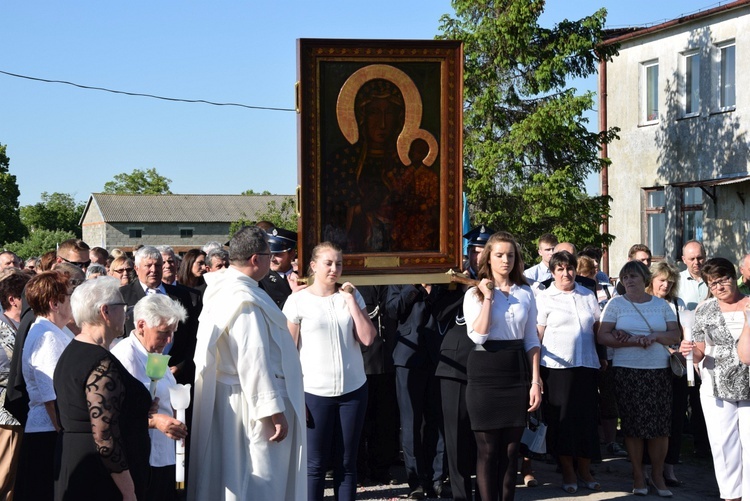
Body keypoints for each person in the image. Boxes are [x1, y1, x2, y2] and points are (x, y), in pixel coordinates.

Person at [189, 226, 306, 501]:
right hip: (249, 402)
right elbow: (253, 358)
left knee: (231, 470)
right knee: (255, 478)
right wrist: (273, 410)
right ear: (256, 259)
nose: (272, 259)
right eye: (269, 254)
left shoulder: (224, 287)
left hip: (231, 395)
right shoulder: (244, 300)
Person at [283, 241, 376, 500]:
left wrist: (350, 300)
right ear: (313, 266)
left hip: (353, 390)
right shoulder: (297, 301)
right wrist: (294, 396)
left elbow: (368, 338)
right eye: (328, 263)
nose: (334, 269)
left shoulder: (351, 296)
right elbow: (288, 354)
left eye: (339, 263)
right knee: (315, 466)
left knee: (347, 464)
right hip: (314, 393)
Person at [54, 277, 152, 501]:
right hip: (100, 475)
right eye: (122, 307)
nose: (125, 314)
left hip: (76, 460)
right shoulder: (100, 363)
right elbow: (105, 436)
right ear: (105, 311)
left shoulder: (72, 352)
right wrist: (128, 491)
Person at [463, 231, 542, 501]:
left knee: (510, 452)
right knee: (487, 451)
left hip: (516, 371)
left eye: (510, 255)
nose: (505, 260)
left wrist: (535, 381)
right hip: (485, 371)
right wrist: (488, 297)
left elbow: (531, 339)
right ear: (488, 258)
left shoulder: (526, 292)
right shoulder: (473, 293)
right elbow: (478, 336)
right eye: (499, 255)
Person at [597, 260, 680, 497]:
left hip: (658, 371)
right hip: (627, 371)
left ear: (645, 279)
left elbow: (675, 334)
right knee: (633, 427)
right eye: (625, 278)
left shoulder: (661, 305)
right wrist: (634, 340)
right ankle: (637, 475)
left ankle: (656, 476)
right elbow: (603, 336)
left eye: (633, 276)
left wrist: (654, 336)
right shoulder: (615, 304)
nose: (629, 281)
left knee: (660, 428)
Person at [680, 258, 750, 501]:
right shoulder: (704, 309)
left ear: (734, 277)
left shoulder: (749, 304)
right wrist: (689, 350)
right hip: (715, 384)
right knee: (724, 446)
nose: (719, 287)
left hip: (749, 383)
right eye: (712, 283)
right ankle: (731, 496)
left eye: (723, 280)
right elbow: (699, 351)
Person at [434, 225, 494, 500]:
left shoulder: (503, 284)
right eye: (473, 251)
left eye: (482, 251)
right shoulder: (454, 281)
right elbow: (439, 315)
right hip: (455, 365)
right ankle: (460, 494)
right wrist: (463, 287)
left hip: (491, 366)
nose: (476, 256)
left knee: (485, 438)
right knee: (456, 437)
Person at [111, 294, 188, 501]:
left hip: (165, 455)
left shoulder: (155, 353)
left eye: (173, 333)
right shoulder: (125, 357)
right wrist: (154, 421)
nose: (169, 340)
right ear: (142, 325)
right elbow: (116, 414)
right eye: (164, 333)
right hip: (141, 459)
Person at [536, 251, 601, 494]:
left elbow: (596, 329)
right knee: (562, 422)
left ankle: (584, 470)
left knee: (586, 421)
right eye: (560, 269)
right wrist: (534, 372)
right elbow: (538, 335)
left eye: (570, 268)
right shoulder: (544, 297)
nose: (566, 273)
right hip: (556, 368)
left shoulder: (587, 294)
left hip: (586, 366)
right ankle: (568, 471)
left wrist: (602, 358)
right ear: (552, 272)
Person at [15, 271, 77, 500]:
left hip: (51, 432)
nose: (72, 301)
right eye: (69, 296)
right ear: (54, 303)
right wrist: (65, 434)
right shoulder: (46, 336)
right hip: (48, 434)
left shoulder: (53, 330)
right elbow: (52, 394)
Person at [119, 246, 199, 385]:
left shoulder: (180, 295)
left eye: (157, 265)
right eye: (148, 265)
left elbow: (191, 334)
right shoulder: (123, 295)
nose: (153, 270)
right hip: (138, 372)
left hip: (176, 374)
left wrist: (181, 365)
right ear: (137, 269)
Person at [647, 261, 686, 487]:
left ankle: (669, 467)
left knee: (675, 418)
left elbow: (684, 334)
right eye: (662, 280)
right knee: (649, 418)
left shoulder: (677, 304)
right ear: (651, 281)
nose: (666, 284)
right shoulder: (644, 303)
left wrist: (681, 349)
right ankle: (645, 468)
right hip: (649, 366)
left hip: (674, 367)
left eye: (670, 281)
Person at [0, 269, 31, 500]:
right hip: (6, 416)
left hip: (22, 414)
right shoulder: (2, 329)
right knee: (4, 476)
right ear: (13, 299)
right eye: (29, 295)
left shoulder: (26, 324)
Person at [259, 227, 304, 309]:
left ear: (292, 254)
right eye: (270, 254)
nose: (272, 259)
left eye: (278, 254)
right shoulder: (261, 280)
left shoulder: (302, 277)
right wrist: (294, 295)